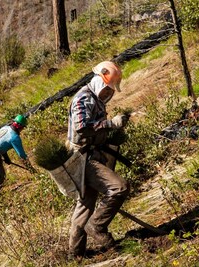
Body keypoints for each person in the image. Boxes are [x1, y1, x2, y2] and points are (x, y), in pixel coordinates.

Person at [66, 61, 130, 259]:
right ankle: (97, 226)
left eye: (110, 92)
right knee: (120, 188)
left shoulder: (95, 99)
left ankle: (75, 255)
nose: (108, 94)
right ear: (98, 81)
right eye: (107, 89)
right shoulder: (82, 98)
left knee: (85, 205)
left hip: (90, 156)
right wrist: (111, 124)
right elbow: (81, 127)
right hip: (83, 158)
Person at [0, 114, 34, 192]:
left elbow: (1, 143)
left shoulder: (5, 128)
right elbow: (22, 155)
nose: (22, 130)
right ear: (19, 126)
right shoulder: (14, 138)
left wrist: (6, 158)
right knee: (0, 177)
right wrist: (31, 169)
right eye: (23, 127)